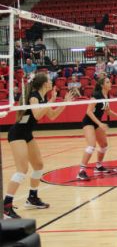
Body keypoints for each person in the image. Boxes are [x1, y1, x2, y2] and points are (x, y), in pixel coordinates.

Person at [3, 73, 75, 218]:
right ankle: (6, 205)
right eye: (49, 80)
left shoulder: (43, 98)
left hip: (27, 134)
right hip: (17, 134)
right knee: (22, 170)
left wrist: (63, 103)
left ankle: (32, 198)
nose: (51, 81)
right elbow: (36, 114)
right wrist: (50, 102)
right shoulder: (34, 97)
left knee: (38, 166)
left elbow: (52, 116)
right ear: (44, 84)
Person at [77, 77, 117, 180]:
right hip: (88, 122)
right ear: (102, 85)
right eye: (108, 82)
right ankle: (81, 171)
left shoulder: (106, 95)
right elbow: (89, 112)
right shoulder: (96, 96)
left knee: (104, 145)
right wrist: (100, 123)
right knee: (91, 146)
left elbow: (107, 111)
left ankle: (98, 166)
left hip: (97, 123)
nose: (110, 83)